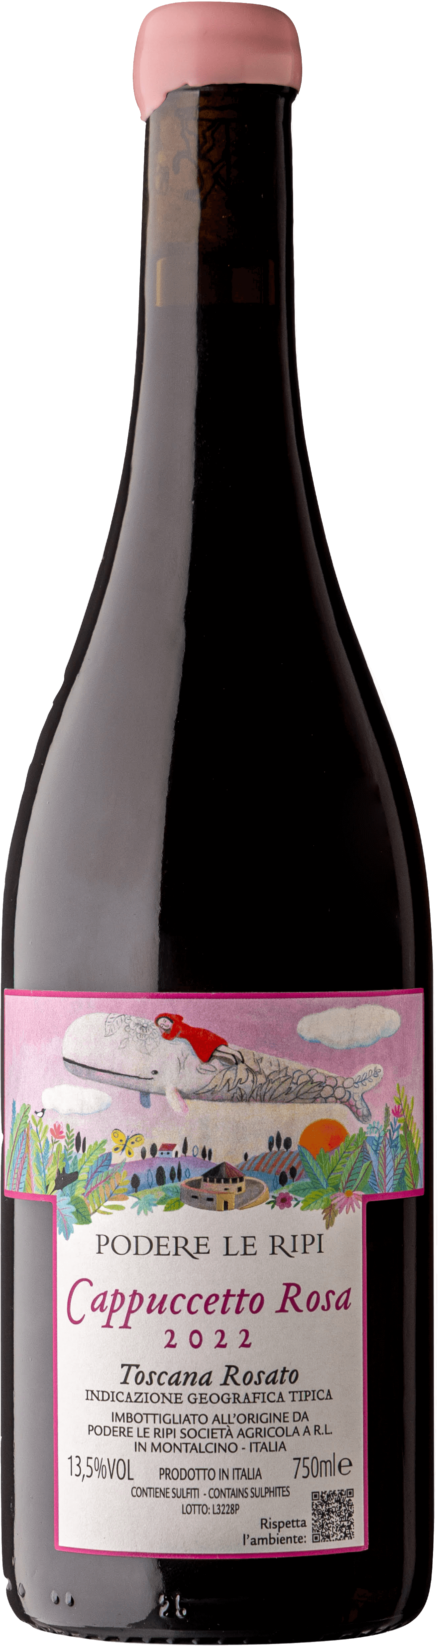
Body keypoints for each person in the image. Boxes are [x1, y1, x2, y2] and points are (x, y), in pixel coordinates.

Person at [154, 1013, 228, 1062]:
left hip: (199, 1036)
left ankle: (233, 1054)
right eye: (162, 1025)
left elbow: (170, 1037)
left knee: (216, 1047)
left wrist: (162, 1034)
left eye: (165, 1021)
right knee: (212, 1052)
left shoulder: (176, 1025)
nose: (164, 1025)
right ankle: (230, 1058)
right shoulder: (173, 1028)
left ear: (170, 1019)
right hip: (194, 1041)